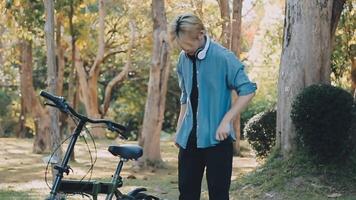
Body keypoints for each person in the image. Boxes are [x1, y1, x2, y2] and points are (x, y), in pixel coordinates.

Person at [169, 13, 257, 200]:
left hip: (218, 140)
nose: (186, 51)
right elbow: (185, 97)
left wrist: (227, 121)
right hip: (189, 141)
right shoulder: (183, 59)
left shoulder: (223, 57)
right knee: (186, 194)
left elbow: (247, 90)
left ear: (201, 35)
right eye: (182, 47)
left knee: (218, 195)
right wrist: (179, 130)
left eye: (189, 46)